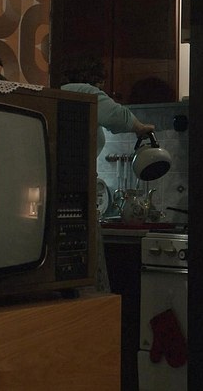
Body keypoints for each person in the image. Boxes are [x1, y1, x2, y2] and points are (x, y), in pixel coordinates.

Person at [60, 56, 155, 292]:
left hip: (64, 186)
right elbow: (117, 116)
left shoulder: (61, 93)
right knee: (87, 269)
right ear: (96, 80)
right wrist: (140, 128)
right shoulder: (84, 92)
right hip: (76, 190)